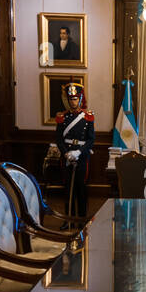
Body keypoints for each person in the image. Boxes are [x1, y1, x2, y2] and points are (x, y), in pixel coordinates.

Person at [55, 82, 93, 221]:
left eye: (76, 98)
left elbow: (90, 140)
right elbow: (59, 139)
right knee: (67, 189)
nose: (73, 101)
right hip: (66, 157)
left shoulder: (88, 116)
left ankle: (82, 220)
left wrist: (78, 153)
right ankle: (68, 220)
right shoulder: (62, 117)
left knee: (81, 188)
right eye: (71, 99)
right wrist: (66, 153)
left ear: (80, 99)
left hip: (82, 157)